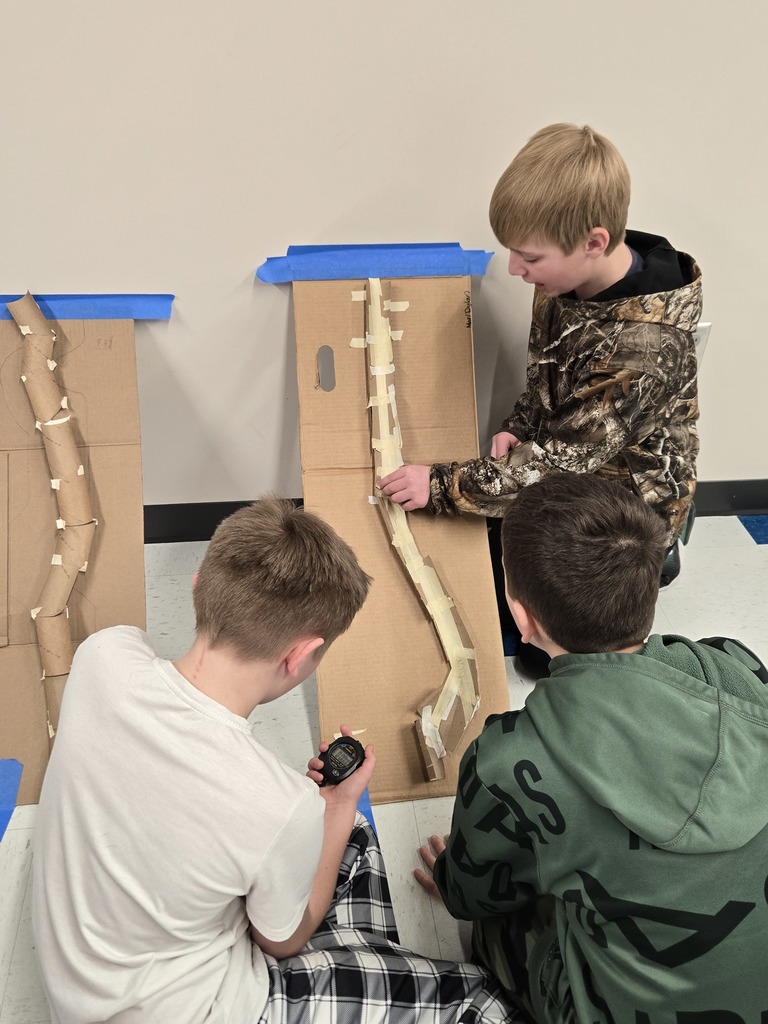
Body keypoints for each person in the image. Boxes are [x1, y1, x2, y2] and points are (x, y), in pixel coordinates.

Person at [32, 498, 522, 1024]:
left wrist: (326, 817)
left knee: (349, 841)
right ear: (299, 656)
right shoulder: (274, 803)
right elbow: (280, 942)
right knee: (482, 998)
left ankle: (364, 969)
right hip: (190, 1009)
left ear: (199, 585)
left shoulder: (104, 654)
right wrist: (334, 806)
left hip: (88, 976)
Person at [415, 473, 768, 1024]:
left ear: (522, 617)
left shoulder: (509, 759)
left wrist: (453, 876)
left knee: (500, 923)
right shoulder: (737, 665)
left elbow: (473, 897)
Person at [379, 123, 702, 590]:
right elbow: (546, 373)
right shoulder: (568, 282)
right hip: (575, 466)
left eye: (529, 257)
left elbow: (556, 464)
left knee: (542, 642)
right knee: (488, 564)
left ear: (593, 242)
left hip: (629, 512)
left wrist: (439, 485)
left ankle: (655, 558)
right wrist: (518, 427)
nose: (514, 269)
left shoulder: (641, 351)